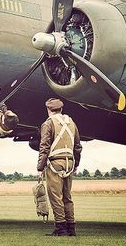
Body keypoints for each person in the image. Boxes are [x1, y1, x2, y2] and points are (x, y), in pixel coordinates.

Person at [37, 98, 82, 237]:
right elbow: (78, 147)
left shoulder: (48, 123)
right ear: (61, 109)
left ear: (48, 109)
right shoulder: (71, 123)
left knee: (55, 197)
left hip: (55, 164)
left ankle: (61, 228)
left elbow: (44, 147)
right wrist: (76, 164)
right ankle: (71, 228)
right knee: (67, 197)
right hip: (69, 163)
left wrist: (40, 168)